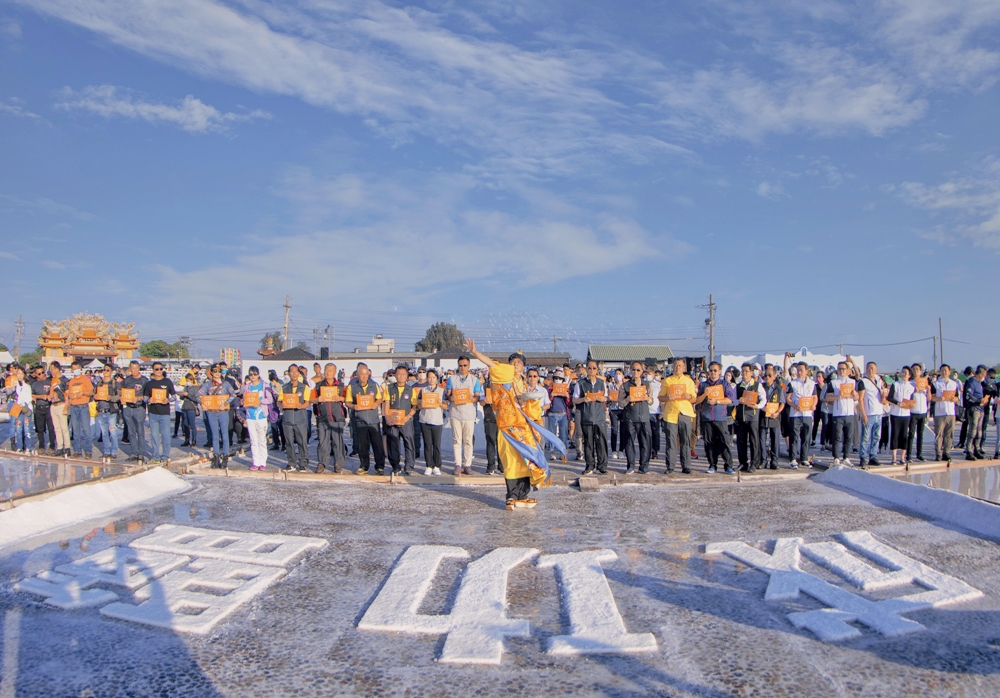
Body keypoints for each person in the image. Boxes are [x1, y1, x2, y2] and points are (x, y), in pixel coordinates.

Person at [464, 338, 564, 509]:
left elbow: (530, 409)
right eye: (514, 361)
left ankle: (523, 495)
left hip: (523, 427)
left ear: (524, 366)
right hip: (507, 426)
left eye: (519, 362)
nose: (516, 364)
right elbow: (492, 364)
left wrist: (527, 403)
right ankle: (511, 496)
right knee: (510, 462)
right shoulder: (506, 376)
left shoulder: (523, 384)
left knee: (526, 461)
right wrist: (475, 352)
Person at [695, 361, 735, 473]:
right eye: (711, 370)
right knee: (709, 442)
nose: (713, 373)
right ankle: (712, 464)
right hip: (707, 417)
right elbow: (697, 401)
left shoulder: (724, 384)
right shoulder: (703, 385)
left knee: (724, 442)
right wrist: (704, 394)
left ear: (720, 371)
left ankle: (728, 465)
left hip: (720, 417)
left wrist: (717, 401)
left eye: (715, 370)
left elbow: (730, 399)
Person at [345, 363, 384, 475]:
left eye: (366, 374)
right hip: (360, 420)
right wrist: (354, 406)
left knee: (377, 444)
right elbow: (347, 402)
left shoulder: (374, 385)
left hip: (373, 420)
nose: (364, 376)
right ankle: (364, 466)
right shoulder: (352, 387)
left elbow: (380, 398)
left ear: (369, 374)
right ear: (357, 374)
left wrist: (375, 404)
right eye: (361, 374)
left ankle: (380, 466)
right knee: (363, 445)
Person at [445, 356, 481, 475]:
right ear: (458, 366)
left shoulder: (474, 380)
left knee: (468, 441)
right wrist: (451, 398)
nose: (463, 367)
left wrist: (472, 398)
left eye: (465, 365)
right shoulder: (451, 379)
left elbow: (477, 397)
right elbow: (447, 396)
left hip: (469, 414)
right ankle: (457, 464)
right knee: (456, 440)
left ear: (469, 366)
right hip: (455, 413)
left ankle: (467, 465)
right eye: (460, 365)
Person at [659, 357, 697, 474]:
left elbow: (694, 399)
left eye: (680, 365)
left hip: (685, 413)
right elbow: (660, 397)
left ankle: (686, 466)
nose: (677, 367)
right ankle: (670, 466)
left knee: (686, 441)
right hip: (671, 414)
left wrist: (688, 397)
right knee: (671, 442)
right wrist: (667, 397)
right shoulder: (667, 381)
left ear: (684, 367)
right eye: (675, 365)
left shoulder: (689, 381)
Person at [573, 359, 609, 475]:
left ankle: (602, 466)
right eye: (589, 368)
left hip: (599, 417)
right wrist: (584, 399)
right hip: (587, 417)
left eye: (594, 368)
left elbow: (606, 397)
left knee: (601, 442)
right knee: (588, 443)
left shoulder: (601, 382)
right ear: (586, 369)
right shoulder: (581, 383)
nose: (592, 370)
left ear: (597, 370)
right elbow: (575, 399)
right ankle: (590, 465)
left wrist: (602, 399)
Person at [826, 359, 864, 467]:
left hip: (850, 413)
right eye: (839, 369)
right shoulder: (833, 383)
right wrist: (838, 396)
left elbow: (857, 396)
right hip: (838, 413)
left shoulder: (852, 382)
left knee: (848, 437)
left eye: (843, 369)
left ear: (848, 370)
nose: (841, 371)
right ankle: (836, 457)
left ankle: (846, 457)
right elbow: (828, 397)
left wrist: (854, 394)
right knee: (837, 436)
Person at [618, 361, 653, 474]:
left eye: (638, 370)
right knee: (629, 442)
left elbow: (652, 401)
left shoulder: (647, 384)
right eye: (633, 370)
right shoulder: (625, 385)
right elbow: (620, 403)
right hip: (630, 418)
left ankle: (644, 465)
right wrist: (628, 399)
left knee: (645, 443)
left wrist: (647, 398)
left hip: (644, 417)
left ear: (642, 371)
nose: (635, 372)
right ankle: (631, 465)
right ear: (630, 371)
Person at [200, 364, 236, 468]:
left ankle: (225, 457)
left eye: (219, 371)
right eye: (214, 371)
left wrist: (224, 404)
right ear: (211, 372)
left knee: (224, 435)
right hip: (212, 411)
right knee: (215, 436)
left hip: (223, 411)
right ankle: (216, 457)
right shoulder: (207, 384)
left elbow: (233, 395)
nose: (217, 373)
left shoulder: (226, 384)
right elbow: (199, 395)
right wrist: (203, 404)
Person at [277, 363, 312, 472]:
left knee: (302, 442)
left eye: (296, 371)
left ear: (298, 373)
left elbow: (307, 402)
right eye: (291, 371)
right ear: (288, 373)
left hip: (300, 419)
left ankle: (303, 463)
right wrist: (281, 405)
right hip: (287, 419)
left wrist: (301, 406)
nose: (294, 374)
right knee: (289, 442)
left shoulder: (304, 387)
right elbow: (278, 401)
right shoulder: (284, 387)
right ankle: (291, 463)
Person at [383, 364, 417, 475]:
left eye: (404, 374)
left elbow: (414, 406)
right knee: (393, 444)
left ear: (407, 376)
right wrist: (387, 417)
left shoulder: (411, 390)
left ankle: (409, 466)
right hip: (392, 422)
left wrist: (407, 417)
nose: (401, 376)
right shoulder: (389, 388)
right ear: (395, 375)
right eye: (399, 374)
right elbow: (386, 403)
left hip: (406, 422)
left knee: (409, 443)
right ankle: (395, 466)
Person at [784, 355, 816, 469]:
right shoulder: (792, 383)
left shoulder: (812, 384)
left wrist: (814, 405)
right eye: (797, 370)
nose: (799, 372)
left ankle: (804, 458)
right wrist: (794, 406)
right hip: (795, 414)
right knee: (794, 437)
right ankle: (793, 459)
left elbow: (814, 396)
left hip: (807, 414)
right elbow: (788, 398)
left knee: (806, 437)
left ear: (807, 371)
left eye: (801, 370)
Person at [314, 362, 347, 474]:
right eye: (327, 370)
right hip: (323, 418)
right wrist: (318, 400)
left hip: (337, 418)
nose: (328, 372)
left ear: (334, 372)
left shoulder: (341, 386)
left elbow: (349, 399)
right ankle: (322, 463)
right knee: (323, 442)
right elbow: (310, 399)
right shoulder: (318, 385)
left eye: (331, 370)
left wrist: (341, 398)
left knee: (337, 442)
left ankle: (338, 463)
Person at [143, 361, 176, 465]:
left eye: (161, 369)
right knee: (154, 436)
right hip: (153, 413)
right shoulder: (149, 384)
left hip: (164, 412)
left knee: (166, 435)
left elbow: (174, 396)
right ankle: (155, 456)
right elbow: (144, 398)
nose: (159, 371)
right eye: (157, 369)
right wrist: (149, 400)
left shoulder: (168, 382)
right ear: (153, 370)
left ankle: (165, 456)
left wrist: (168, 400)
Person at [734, 363, 765, 473]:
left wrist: (758, 406)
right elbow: (733, 400)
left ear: (751, 373)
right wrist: (739, 401)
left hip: (752, 416)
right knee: (741, 440)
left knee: (753, 440)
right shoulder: (738, 386)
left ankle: (754, 463)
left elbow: (763, 399)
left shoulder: (757, 385)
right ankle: (743, 462)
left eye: (746, 371)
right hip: (741, 417)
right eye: (742, 371)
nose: (744, 373)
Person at [241, 366, 274, 471]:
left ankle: (263, 462)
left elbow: (270, 400)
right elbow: (243, 399)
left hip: (261, 415)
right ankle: (255, 462)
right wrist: (244, 404)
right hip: (250, 416)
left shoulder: (264, 386)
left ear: (258, 374)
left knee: (261, 439)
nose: (253, 376)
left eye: (255, 374)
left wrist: (260, 401)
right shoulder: (247, 387)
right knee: (253, 440)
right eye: (251, 374)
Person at [418, 369, 447, 475]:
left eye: (433, 377)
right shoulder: (423, 390)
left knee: (436, 445)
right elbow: (418, 406)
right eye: (429, 377)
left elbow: (447, 406)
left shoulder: (441, 391)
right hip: (425, 420)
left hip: (437, 421)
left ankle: (437, 466)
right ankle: (429, 465)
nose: (431, 379)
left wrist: (441, 404)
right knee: (427, 444)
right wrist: (421, 403)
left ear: (437, 379)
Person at [931, 364, 960, 464]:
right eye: (942, 370)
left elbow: (957, 398)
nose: (944, 372)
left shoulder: (954, 384)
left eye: (946, 371)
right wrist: (939, 399)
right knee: (939, 434)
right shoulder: (936, 384)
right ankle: (938, 453)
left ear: (949, 372)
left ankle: (946, 452)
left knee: (949, 433)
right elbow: (932, 397)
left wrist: (954, 399)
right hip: (940, 412)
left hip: (951, 412)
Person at [65, 361, 95, 459]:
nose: (75, 370)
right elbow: (69, 393)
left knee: (86, 430)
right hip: (74, 407)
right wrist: (70, 396)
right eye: (73, 369)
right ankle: (77, 451)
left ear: (80, 369)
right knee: (75, 431)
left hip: (83, 406)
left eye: (77, 368)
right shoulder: (71, 381)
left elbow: (91, 392)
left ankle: (88, 451)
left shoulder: (85, 379)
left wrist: (82, 393)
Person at [886, 366, 915, 465]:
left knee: (904, 435)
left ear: (909, 375)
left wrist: (910, 405)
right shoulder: (896, 384)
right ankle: (894, 458)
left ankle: (902, 457)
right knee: (895, 435)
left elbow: (912, 400)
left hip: (906, 414)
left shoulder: (911, 387)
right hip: (895, 413)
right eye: (902, 372)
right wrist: (897, 403)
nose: (903, 374)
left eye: (905, 373)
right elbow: (889, 397)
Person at [120, 360, 148, 464]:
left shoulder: (144, 380)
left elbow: (147, 395)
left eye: (136, 368)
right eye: (132, 368)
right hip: (128, 408)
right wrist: (121, 398)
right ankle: (133, 452)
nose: (134, 370)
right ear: (130, 369)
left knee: (140, 432)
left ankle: (141, 453)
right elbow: (121, 391)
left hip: (139, 408)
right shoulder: (127, 380)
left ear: (139, 368)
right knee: (131, 432)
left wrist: (138, 398)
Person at [858, 362, 885, 467]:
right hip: (869, 413)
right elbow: (860, 399)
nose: (871, 370)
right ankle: (863, 457)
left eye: (873, 368)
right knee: (865, 437)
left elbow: (882, 394)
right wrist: (863, 414)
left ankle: (873, 456)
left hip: (878, 412)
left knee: (876, 436)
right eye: (869, 368)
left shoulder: (879, 380)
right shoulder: (863, 382)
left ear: (876, 369)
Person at [758, 363, 784, 470]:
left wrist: (778, 412)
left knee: (775, 439)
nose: (767, 378)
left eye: (769, 375)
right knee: (762, 439)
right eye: (765, 376)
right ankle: (763, 460)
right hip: (763, 415)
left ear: (774, 376)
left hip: (774, 416)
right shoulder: (761, 387)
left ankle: (774, 461)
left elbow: (782, 402)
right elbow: (757, 399)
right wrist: (762, 407)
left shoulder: (778, 388)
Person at [94, 364, 121, 463]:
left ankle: (114, 451)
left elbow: (119, 396)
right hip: (101, 411)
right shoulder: (99, 383)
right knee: (104, 433)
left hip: (111, 411)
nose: (105, 372)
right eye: (104, 370)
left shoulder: (114, 383)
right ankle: (106, 451)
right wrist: (95, 397)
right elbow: (94, 394)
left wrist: (111, 398)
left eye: (107, 370)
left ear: (111, 372)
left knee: (113, 433)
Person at [962, 365, 988, 460]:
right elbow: (969, 396)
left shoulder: (979, 383)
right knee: (972, 430)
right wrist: (979, 401)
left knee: (979, 431)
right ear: (980, 374)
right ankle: (969, 450)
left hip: (981, 409)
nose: (985, 376)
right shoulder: (971, 382)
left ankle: (976, 448)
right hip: (974, 409)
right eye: (984, 374)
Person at [6, 366, 34, 454]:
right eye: (18, 374)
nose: (19, 376)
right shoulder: (16, 385)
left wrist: (22, 401)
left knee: (26, 429)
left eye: (21, 374)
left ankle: (28, 447)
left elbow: (29, 398)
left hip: (26, 409)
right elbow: (10, 393)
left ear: (24, 375)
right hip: (18, 409)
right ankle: (20, 447)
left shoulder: (27, 385)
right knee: (18, 428)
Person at [29, 365, 55, 454]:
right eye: (39, 373)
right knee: (40, 429)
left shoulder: (49, 381)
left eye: (43, 372)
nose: (42, 375)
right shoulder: (34, 384)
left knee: (51, 428)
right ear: (36, 374)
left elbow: (54, 392)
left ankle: (52, 446)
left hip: (49, 407)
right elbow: (31, 395)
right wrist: (40, 396)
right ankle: (41, 446)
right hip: (39, 408)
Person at [546, 374, 572, 462]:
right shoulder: (549, 390)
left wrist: (567, 396)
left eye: (560, 379)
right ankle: (552, 452)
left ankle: (563, 452)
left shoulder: (566, 389)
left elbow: (569, 403)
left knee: (563, 434)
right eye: (556, 378)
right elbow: (546, 402)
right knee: (552, 434)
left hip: (563, 413)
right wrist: (551, 396)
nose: (558, 380)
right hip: (552, 413)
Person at [908, 363, 930, 462]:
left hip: (923, 411)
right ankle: (909, 455)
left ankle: (919, 454)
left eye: (917, 369)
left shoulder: (925, 383)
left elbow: (929, 398)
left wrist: (928, 390)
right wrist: (913, 391)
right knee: (911, 434)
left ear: (921, 371)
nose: (916, 371)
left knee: (921, 434)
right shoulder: (909, 383)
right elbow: (906, 398)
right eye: (914, 369)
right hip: (913, 411)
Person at [607, 368, 626, 460]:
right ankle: (614, 450)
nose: (618, 375)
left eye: (619, 374)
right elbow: (607, 397)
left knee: (623, 431)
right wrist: (609, 398)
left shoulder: (625, 385)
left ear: (623, 376)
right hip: (613, 409)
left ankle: (621, 450)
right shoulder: (610, 385)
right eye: (616, 374)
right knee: (614, 430)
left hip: (623, 409)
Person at [179, 373, 200, 448]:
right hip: (184, 407)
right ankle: (186, 440)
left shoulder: (195, 388)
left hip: (191, 407)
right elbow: (182, 398)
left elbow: (196, 399)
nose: (187, 382)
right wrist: (182, 395)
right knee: (185, 424)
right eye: (186, 380)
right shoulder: (185, 387)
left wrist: (187, 394)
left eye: (188, 380)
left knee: (192, 424)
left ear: (191, 380)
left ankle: (194, 440)